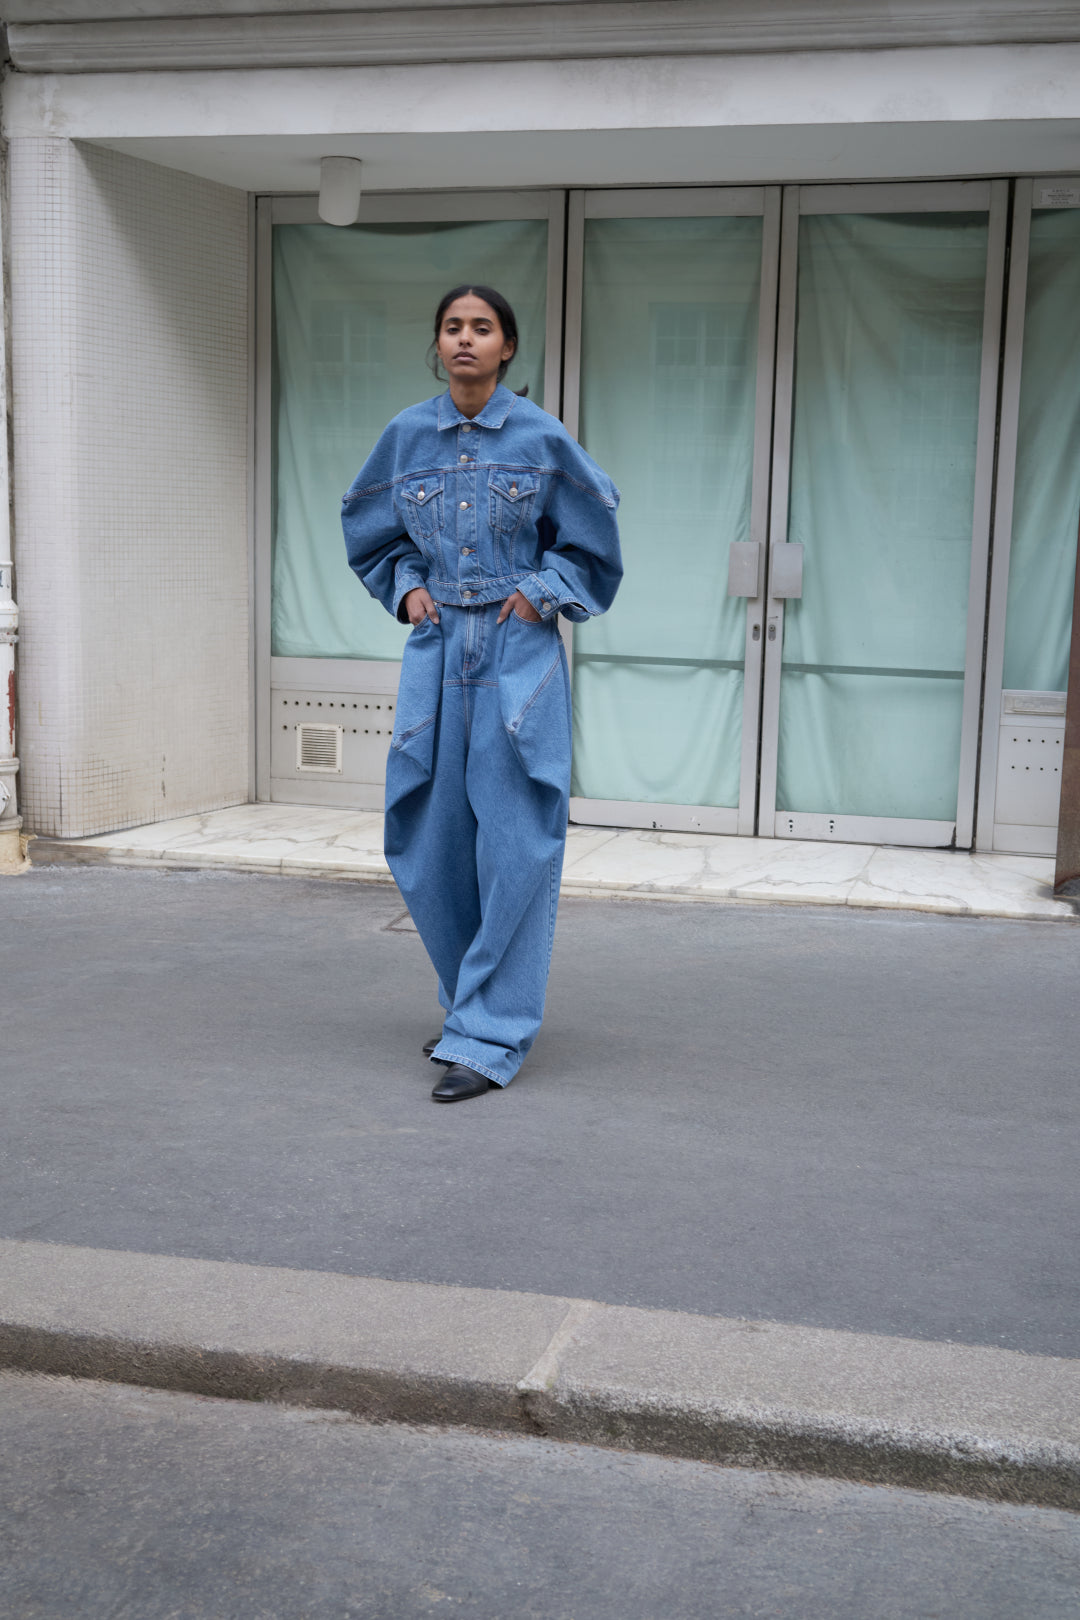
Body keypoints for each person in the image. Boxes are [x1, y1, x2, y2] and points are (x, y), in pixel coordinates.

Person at [342, 285, 622, 1101]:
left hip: (514, 654)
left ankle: (490, 1035)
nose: (467, 339)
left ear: (507, 347)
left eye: (483, 328)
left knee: (515, 841)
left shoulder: (541, 438)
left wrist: (545, 590)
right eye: (453, 327)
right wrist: (404, 588)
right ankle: (471, 1008)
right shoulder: (406, 436)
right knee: (424, 839)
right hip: (435, 654)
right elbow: (370, 531)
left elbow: (594, 538)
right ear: (439, 344)